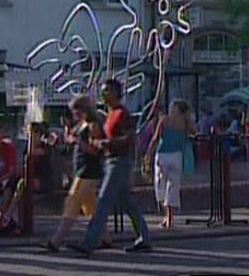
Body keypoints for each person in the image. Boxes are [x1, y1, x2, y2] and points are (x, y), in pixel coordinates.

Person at [68, 79, 151, 255]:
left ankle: (88, 243)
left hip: (119, 162)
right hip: (111, 161)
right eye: (102, 91)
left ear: (115, 93)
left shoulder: (122, 114)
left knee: (104, 201)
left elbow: (130, 138)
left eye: (106, 91)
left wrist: (107, 143)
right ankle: (144, 238)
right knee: (127, 203)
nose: (103, 94)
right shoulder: (110, 113)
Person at [43, 94, 110, 252]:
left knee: (72, 203)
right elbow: (69, 140)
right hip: (81, 169)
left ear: (84, 110)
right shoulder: (81, 125)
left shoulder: (93, 126)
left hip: (89, 171)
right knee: (90, 206)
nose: (74, 115)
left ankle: (56, 240)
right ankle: (106, 237)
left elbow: (95, 150)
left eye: (76, 112)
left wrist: (78, 141)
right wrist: (60, 137)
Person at [146, 100, 196, 230]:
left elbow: (156, 138)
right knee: (173, 187)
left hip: (162, 155)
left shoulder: (164, 120)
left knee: (160, 185)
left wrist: (148, 153)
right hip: (177, 156)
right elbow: (194, 132)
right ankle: (170, 218)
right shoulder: (185, 122)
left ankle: (165, 215)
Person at [1, 122, 54, 232]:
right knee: (12, 183)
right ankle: (2, 216)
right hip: (29, 179)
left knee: (23, 184)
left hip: (44, 180)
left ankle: (8, 214)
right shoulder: (27, 147)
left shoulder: (45, 148)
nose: (32, 137)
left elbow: (31, 155)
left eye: (35, 134)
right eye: (30, 134)